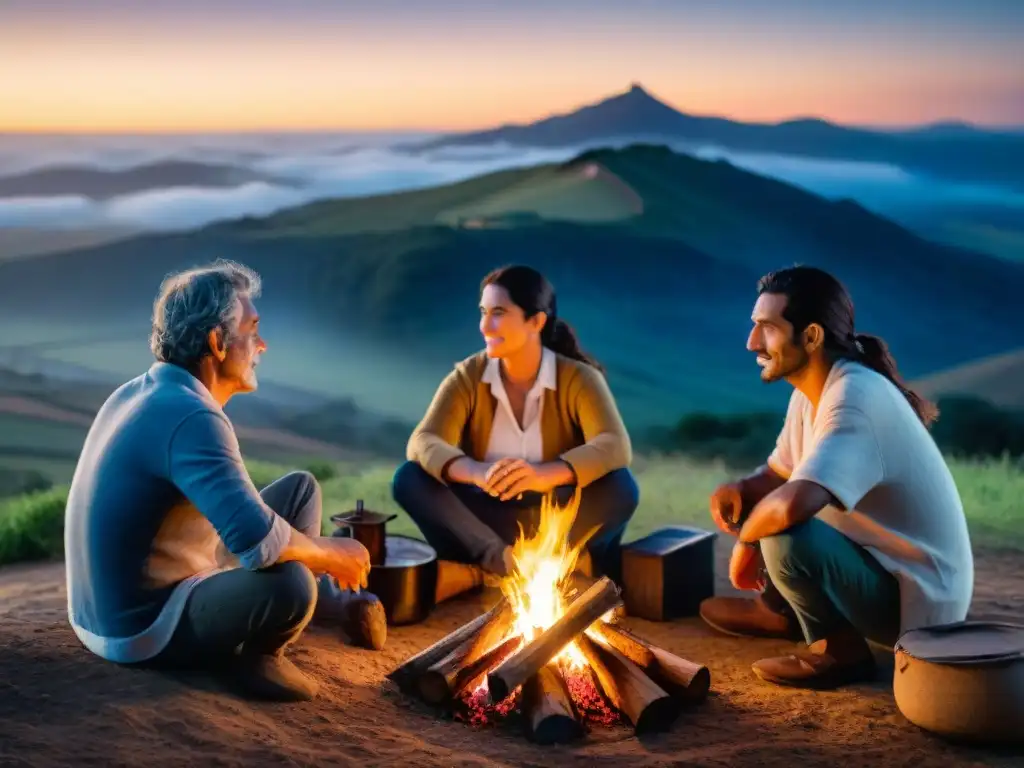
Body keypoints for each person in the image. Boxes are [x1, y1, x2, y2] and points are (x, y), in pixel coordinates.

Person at [64, 259, 387, 703]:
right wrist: (332, 552)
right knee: (290, 582)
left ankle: (322, 601)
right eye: (253, 330)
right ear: (217, 341)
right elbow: (258, 541)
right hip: (143, 625)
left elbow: (244, 520)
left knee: (300, 490)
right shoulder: (191, 415)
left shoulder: (143, 392)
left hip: (107, 606)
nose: (263, 345)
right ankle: (261, 654)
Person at [699, 265, 974, 689]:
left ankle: (839, 654)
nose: (752, 342)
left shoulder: (854, 398)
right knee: (767, 510)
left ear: (811, 337)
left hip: (916, 601)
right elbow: (777, 477)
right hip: (876, 567)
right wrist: (738, 489)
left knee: (786, 534)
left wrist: (747, 541)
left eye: (767, 329)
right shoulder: (810, 391)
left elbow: (795, 502)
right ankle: (783, 613)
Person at [392, 264, 639, 590]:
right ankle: (509, 564)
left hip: (555, 518)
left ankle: (502, 571)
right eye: (483, 312)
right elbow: (424, 440)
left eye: (498, 313)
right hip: (484, 523)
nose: (484, 326)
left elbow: (614, 444)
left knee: (621, 486)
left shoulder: (578, 378)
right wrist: (475, 471)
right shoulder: (469, 375)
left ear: (535, 321)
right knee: (410, 478)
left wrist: (546, 474)